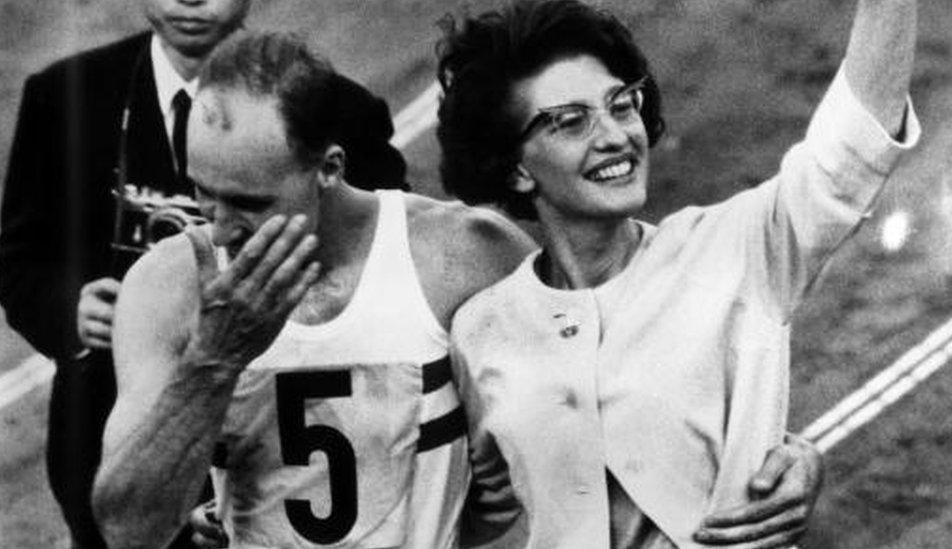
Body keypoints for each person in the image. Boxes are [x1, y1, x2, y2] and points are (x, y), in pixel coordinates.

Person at [92, 30, 824, 549]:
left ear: (328, 167)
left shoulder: (459, 256)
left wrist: (781, 452)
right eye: (202, 194)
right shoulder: (168, 288)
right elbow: (126, 527)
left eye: (248, 204)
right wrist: (213, 362)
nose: (217, 230)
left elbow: (631, 343)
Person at [437, 0, 918, 547]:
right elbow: (479, 512)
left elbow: (855, 147)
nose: (615, 135)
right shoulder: (480, 332)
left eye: (622, 105)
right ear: (517, 168)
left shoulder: (738, 248)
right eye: (571, 122)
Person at [0, 1, 407, 547]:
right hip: (111, 430)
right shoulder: (65, 95)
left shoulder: (342, 110)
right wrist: (67, 308)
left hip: (289, 446)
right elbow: (16, 256)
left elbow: (383, 261)